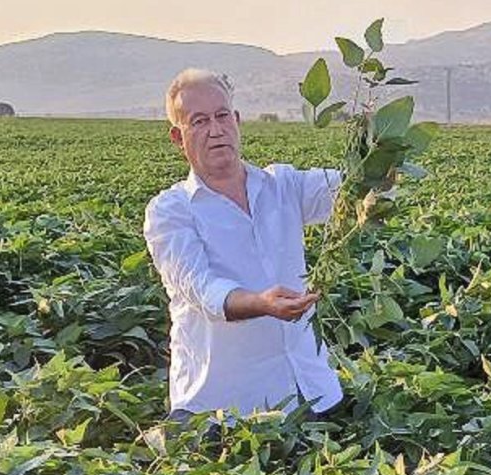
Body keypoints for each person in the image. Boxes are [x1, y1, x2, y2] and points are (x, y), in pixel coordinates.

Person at [144, 68, 342, 423]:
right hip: (220, 409)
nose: (215, 130)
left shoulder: (283, 185)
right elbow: (200, 288)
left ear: (236, 121)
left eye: (222, 116)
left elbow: (362, 187)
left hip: (312, 394)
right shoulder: (170, 212)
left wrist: (377, 144)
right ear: (177, 137)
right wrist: (260, 303)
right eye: (199, 121)